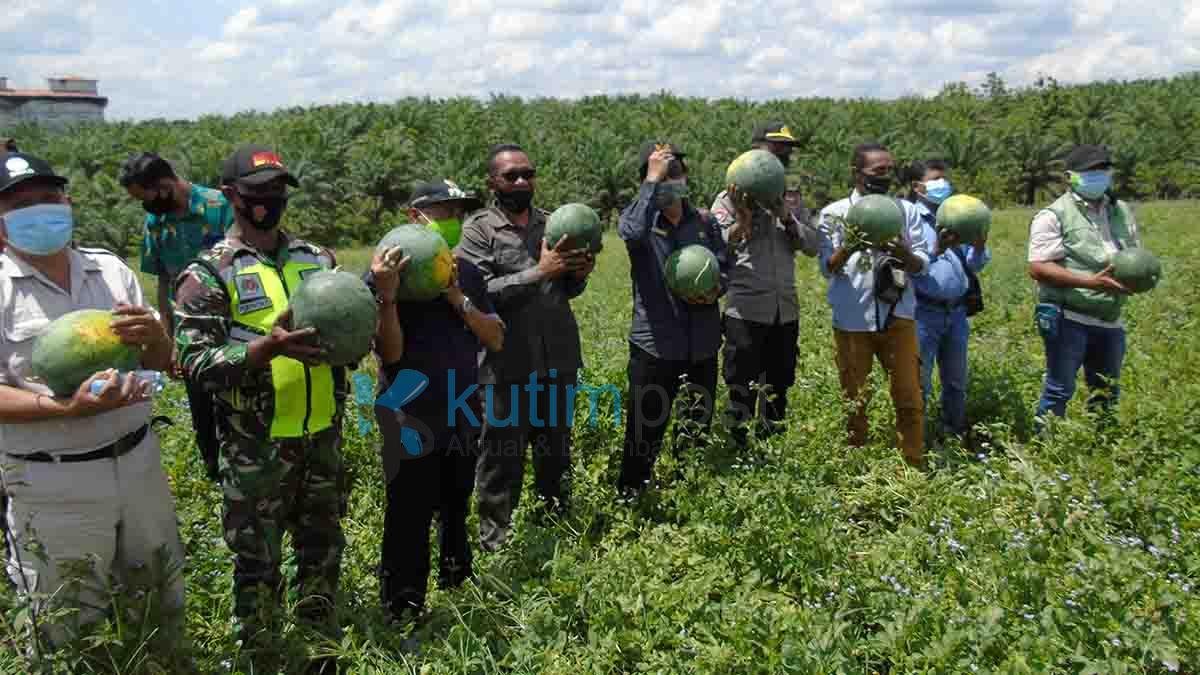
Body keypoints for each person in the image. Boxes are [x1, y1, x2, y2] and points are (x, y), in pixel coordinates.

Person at [0, 152, 185, 649]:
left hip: (139, 464)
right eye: (21, 204)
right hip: (53, 479)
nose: (41, 210)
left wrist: (155, 336)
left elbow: (160, 361)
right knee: (64, 625)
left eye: (49, 198)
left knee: (159, 606)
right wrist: (64, 409)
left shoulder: (110, 270)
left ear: (67, 202)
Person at [173, 145, 346, 672]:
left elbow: (345, 333)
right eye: (255, 192)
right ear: (230, 196)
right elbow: (195, 362)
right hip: (256, 447)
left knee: (322, 552)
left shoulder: (317, 261)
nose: (268, 201)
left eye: (276, 191)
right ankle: (263, 657)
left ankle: (321, 654)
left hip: (321, 436)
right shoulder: (206, 274)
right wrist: (262, 350)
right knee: (257, 563)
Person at [367, 179, 503, 625]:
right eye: (442, 211)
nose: (451, 221)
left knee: (456, 503)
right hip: (409, 413)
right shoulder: (385, 278)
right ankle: (403, 608)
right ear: (415, 216)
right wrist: (387, 295)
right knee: (408, 512)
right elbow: (390, 354)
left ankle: (458, 585)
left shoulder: (467, 273)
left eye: (457, 213)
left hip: (462, 406)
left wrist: (455, 296)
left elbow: (495, 336)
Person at [457, 143, 594, 552]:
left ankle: (555, 535)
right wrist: (539, 272)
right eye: (511, 175)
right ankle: (496, 545)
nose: (521, 181)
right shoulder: (479, 229)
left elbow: (567, 287)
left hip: (557, 358)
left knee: (555, 452)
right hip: (505, 366)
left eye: (527, 173)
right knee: (502, 458)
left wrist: (578, 274)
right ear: (492, 183)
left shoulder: (553, 224)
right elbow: (477, 293)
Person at [616, 142, 727, 496]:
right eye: (664, 174)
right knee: (643, 433)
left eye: (676, 172)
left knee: (695, 429)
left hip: (703, 345)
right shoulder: (641, 223)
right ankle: (631, 498)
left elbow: (725, 265)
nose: (671, 180)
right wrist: (652, 181)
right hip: (656, 347)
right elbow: (630, 234)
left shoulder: (706, 222)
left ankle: (687, 497)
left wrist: (715, 289)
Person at [816, 142, 932, 467]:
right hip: (853, 321)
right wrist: (850, 246)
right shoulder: (834, 214)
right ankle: (857, 465)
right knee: (855, 399)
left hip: (899, 317)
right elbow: (827, 267)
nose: (886, 176)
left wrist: (904, 254)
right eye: (878, 171)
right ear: (857, 173)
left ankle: (913, 462)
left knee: (909, 396)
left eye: (889, 170)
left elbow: (922, 262)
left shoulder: (905, 211)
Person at [120, 151, 232, 481]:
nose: (146, 207)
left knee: (241, 396)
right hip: (187, 330)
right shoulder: (157, 223)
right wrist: (168, 341)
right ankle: (215, 473)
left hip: (231, 324)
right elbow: (164, 282)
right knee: (200, 404)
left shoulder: (218, 207)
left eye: (146, 197)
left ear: (165, 184)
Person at [711, 122, 808, 443]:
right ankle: (736, 449)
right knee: (741, 387)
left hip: (785, 311)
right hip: (746, 311)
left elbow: (811, 245)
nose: (783, 156)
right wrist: (744, 219)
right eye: (776, 149)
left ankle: (772, 449)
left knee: (778, 387)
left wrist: (785, 215)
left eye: (787, 151)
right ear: (754, 152)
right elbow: (721, 242)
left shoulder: (792, 200)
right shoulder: (727, 199)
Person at [1028, 144, 1138, 424]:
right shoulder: (1053, 215)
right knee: (1059, 389)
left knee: (1106, 391)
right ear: (1070, 176)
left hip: (1110, 319)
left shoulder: (1121, 211)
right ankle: (1046, 449)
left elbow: (1133, 255)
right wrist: (1092, 282)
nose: (1099, 175)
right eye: (1091, 171)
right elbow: (1039, 267)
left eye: (1103, 169)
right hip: (1068, 316)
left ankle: (1101, 448)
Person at [906, 160, 990, 439]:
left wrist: (978, 247)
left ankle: (954, 431)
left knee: (956, 380)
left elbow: (974, 264)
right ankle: (919, 438)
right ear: (917, 187)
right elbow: (908, 263)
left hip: (956, 313)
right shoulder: (910, 218)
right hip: (923, 311)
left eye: (945, 178)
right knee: (920, 381)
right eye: (935, 179)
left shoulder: (956, 214)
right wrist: (936, 248)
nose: (943, 184)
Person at [405, 178, 483, 248]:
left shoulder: (462, 261)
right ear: (414, 216)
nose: (455, 221)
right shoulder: (397, 259)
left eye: (460, 215)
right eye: (448, 211)